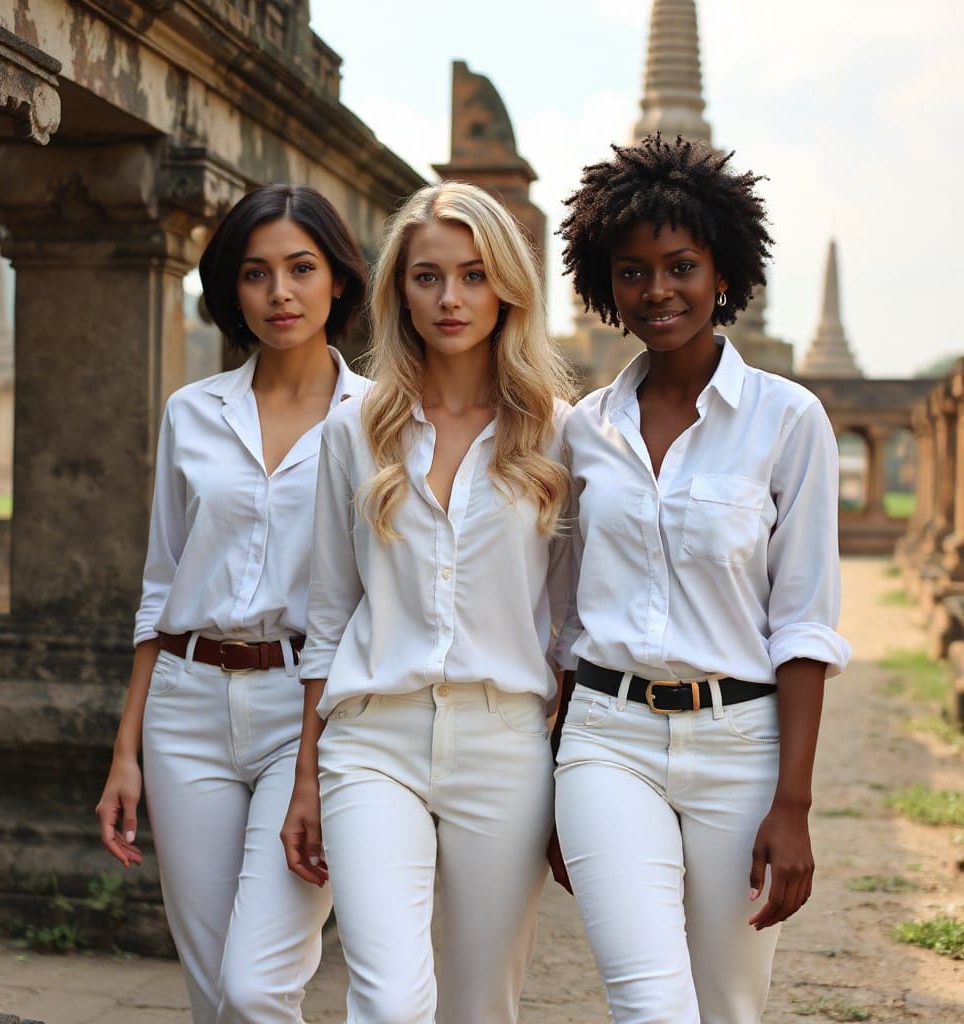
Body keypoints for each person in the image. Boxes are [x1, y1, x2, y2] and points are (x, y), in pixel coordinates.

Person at [552, 135, 852, 1024]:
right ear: (607, 285)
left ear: (723, 270)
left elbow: (803, 623)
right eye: (633, 271)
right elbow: (563, 619)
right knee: (652, 1003)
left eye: (680, 266)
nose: (658, 291)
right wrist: (554, 781)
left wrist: (792, 805)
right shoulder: (583, 432)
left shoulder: (788, 421)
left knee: (727, 1005)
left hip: (740, 750)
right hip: (606, 741)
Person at [280, 181, 576, 1024]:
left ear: (509, 287)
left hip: (506, 742)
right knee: (389, 995)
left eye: (474, 275)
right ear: (397, 290)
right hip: (373, 739)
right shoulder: (354, 428)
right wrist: (306, 775)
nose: (450, 299)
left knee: (483, 1003)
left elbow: (572, 621)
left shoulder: (557, 432)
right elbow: (329, 617)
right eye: (427, 277)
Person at [94, 183, 370, 1024]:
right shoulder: (192, 413)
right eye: (255, 274)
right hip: (185, 709)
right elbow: (161, 585)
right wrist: (126, 749)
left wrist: (315, 765)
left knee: (258, 987)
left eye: (300, 268)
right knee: (215, 991)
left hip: (307, 708)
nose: (279, 293)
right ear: (230, 289)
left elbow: (361, 604)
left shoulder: (381, 422)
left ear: (338, 283)